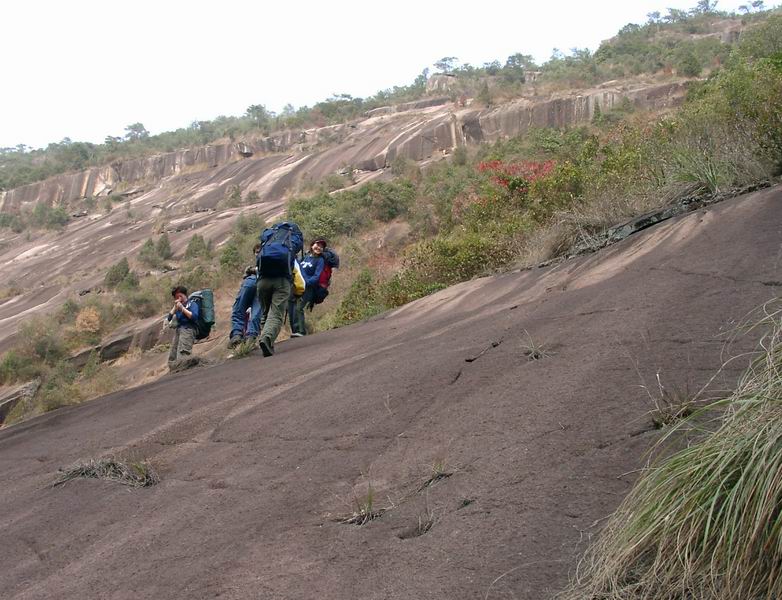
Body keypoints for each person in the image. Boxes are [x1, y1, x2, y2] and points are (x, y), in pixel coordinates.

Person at [256, 222, 303, 356]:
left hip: (263, 281)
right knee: (276, 314)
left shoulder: (270, 235)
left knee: (265, 312)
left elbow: (262, 236)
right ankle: (267, 338)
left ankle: (265, 339)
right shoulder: (293, 238)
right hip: (282, 281)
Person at [229, 243, 263, 348]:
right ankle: (251, 337)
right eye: (257, 252)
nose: (258, 254)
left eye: (259, 252)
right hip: (262, 285)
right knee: (256, 313)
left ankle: (237, 334)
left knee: (239, 308)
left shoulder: (253, 267)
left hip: (251, 282)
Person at [294, 239, 326, 336]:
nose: (319, 247)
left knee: (299, 308)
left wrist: (306, 282)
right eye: (317, 244)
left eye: (321, 246)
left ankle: (301, 331)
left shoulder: (320, 260)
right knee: (295, 308)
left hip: (308, 288)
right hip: (297, 286)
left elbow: (316, 276)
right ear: (312, 245)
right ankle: (298, 329)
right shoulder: (305, 257)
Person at [167, 285, 200, 370]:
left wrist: (182, 309)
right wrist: (175, 307)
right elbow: (169, 318)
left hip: (188, 330)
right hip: (179, 331)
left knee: (183, 355)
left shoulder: (192, 304)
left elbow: (194, 317)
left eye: (178, 296)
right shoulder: (177, 307)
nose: (177, 298)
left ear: (182, 295)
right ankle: (174, 372)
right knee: (173, 355)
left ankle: (185, 374)